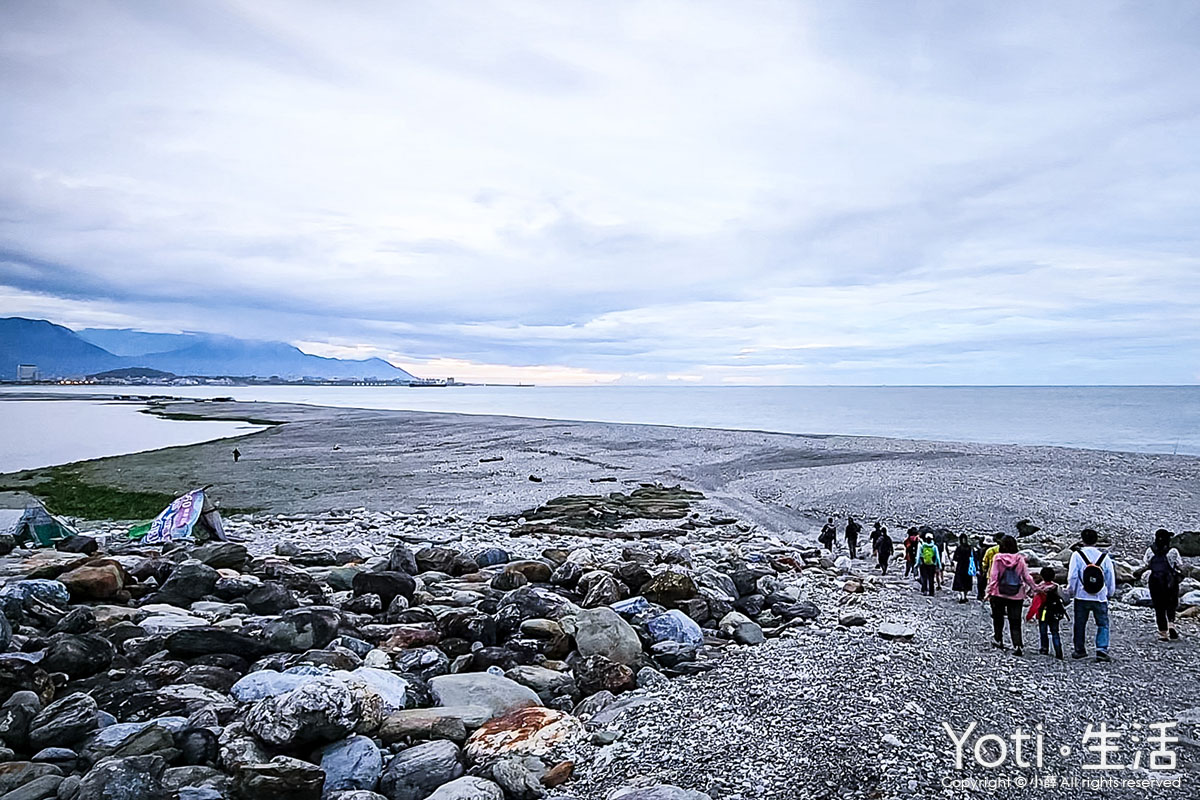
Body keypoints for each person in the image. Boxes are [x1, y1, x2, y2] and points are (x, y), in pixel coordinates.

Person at [1067, 528, 1117, 662]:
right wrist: (1110, 593)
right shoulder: (1104, 557)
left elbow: (1072, 576)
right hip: (1100, 596)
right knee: (1102, 624)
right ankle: (1101, 649)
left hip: (1081, 595)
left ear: (1082, 540)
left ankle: (1079, 650)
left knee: (1080, 624)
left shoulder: (1077, 555)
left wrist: (1071, 591)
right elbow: (1110, 577)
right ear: (1096, 540)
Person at [987, 535, 1037, 655]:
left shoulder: (997, 558)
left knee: (998, 618)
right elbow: (1026, 576)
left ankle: (998, 639)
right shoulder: (1020, 559)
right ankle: (1017, 645)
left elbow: (994, 577)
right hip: (1016, 594)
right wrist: (1035, 588)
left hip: (998, 593)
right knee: (1015, 620)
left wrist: (988, 591)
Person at [1135, 529, 1183, 642]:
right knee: (1171, 604)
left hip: (1155, 581)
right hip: (1170, 581)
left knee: (1159, 607)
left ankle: (1163, 633)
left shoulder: (1150, 550)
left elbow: (1146, 564)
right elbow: (1179, 565)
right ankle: (1171, 623)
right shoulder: (1173, 551)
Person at [1028, 566, 1067, 658]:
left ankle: (1044, 648)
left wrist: (1030, 615)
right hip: (1054, 612)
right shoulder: (1056, 587)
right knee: (1055, 631)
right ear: (1054, 576)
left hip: (1043, 612)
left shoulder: (1039, 588)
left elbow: (1034, 601)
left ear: (1042, 576)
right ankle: (1058, 651)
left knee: (1043, 630)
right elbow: (1065, 599)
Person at [950, 534, 974, 603]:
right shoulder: (969, 548)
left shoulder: (959, 548)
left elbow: (955, 558)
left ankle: (962, 596)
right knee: (967, 582)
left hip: (960, 567)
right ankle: (965, 596)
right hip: (968, 566)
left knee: (960, 582)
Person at [973, 537, 990, 601]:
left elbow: (976, 560)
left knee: (980, 583)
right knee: (985, 582)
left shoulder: (979, 550)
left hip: (980, 568)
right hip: (987, 568)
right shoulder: (988, 550)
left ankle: (980, 594)